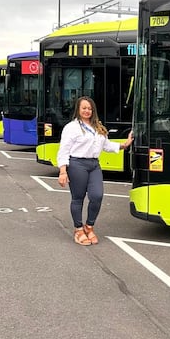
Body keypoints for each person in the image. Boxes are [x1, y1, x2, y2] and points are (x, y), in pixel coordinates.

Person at [57, 96, 133, 246]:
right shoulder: (71, 128)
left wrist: (125, 144)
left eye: (90, 108)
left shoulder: (98, 127)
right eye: (84, 108)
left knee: (97, 195)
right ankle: (78, 230)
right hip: (77, 164)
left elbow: (107, 145)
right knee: (78, 198)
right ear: (78, 110)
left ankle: (89, 226)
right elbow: (63, 150)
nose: (87, 111)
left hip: (94, 165)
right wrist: (63, 171)